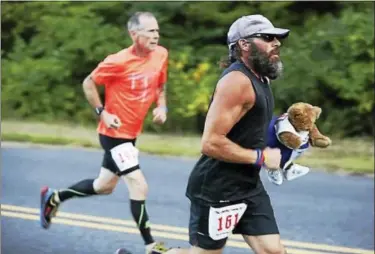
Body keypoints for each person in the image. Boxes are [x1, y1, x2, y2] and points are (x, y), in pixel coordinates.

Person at [40, 12, 171, 254]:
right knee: (138, 184)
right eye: (150, 31)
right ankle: (152, 246)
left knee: (103, 186)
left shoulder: (161, 54)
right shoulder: (117, 61)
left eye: (157, 31)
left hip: (131, 135)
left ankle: (54, 197)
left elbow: (161, 84)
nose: (156, 35)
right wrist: (102, 112)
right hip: (113, 134)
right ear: (134, 34)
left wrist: (161, 105)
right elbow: (88, 83)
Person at [184, 14, 290, 254]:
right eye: (267, 37)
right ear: (244, 44)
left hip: (248, 185)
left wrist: (286, 129)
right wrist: (261, 158)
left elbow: (250, 126)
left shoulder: (260, 77)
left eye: (277, 38)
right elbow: (211, 143)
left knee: (274, 251)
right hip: (217, 188)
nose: (277, 43)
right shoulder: (236, 81)